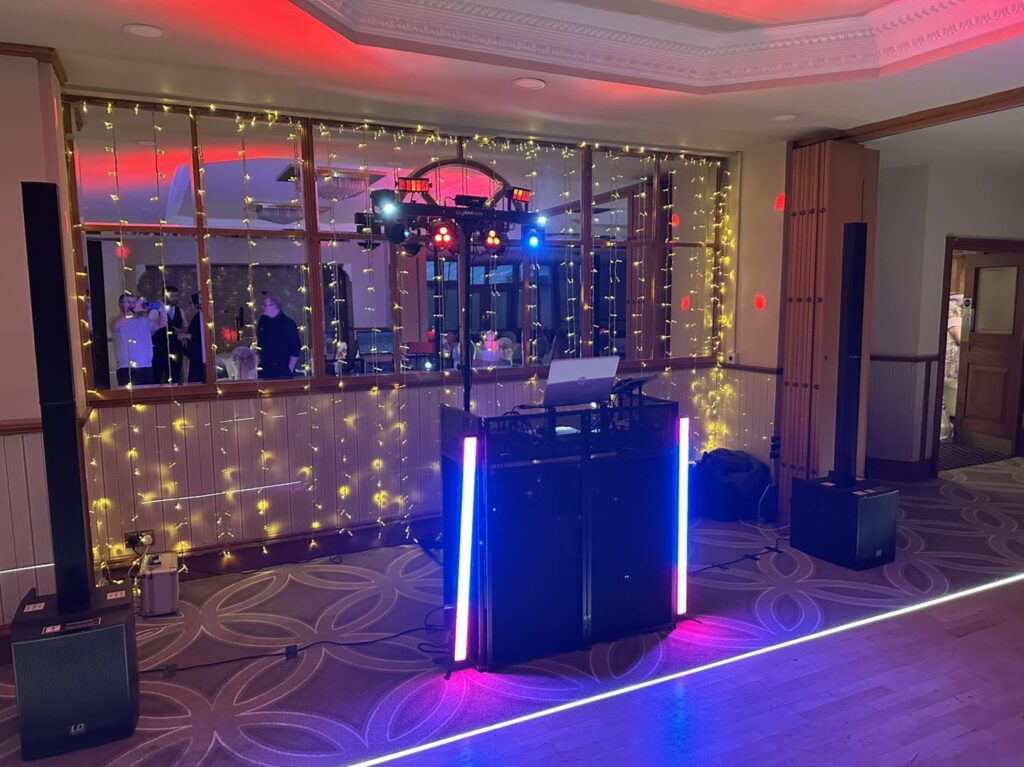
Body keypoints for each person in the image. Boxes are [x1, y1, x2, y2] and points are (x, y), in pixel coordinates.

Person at [109, 293, 164, 387]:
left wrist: (162, 310)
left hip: (146, 367)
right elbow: (115, 325)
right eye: (128, 302)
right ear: (120, 304)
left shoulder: (143, 320)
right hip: (127, 367)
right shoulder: (114, 319)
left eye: (134, 302)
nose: (132, 305)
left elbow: (161, 324)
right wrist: (134, 310)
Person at [256, 294, 301, 379]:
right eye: (263, 305)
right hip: (265, 368)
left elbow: (295, 347)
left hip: (283, 369)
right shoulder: (263, 321)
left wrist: (290, 369)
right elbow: (260, 343)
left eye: (265, 305)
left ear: (274, 306)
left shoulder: (287, 323)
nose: (263, 307)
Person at [152, 286, 185, 384]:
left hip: (176, 348)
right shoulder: (156, 311)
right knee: (157, 375)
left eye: (176, 296)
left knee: (175, 376)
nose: (175, 298)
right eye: (172, 296)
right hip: (160, 348)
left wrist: (180, 331)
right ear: (164, 296)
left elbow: (184, 326)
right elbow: (151, 329)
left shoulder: (180, 311)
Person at [178, 292, 206, 383]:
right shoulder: (198, 316)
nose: (189, 305)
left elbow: (198, 336)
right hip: (195, 354)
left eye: (191, 303)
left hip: (198, 355)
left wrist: (184, 336)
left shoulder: (199, 317)